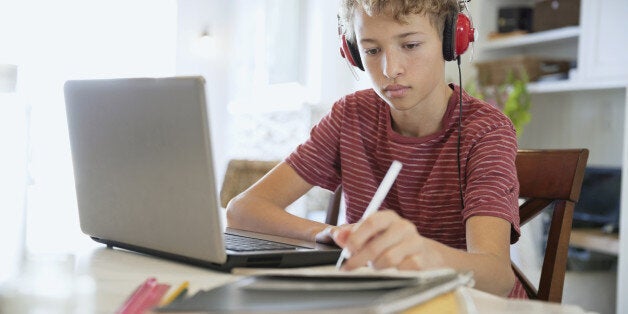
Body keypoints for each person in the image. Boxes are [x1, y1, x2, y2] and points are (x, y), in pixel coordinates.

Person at [227, 0, 527, 298]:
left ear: (451, 42)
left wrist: (424, 253)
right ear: (353, 52)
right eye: (372, 50)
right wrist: (331, 234)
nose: (390, 69)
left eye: (410, 45)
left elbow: (497, 278)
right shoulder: (351, 116)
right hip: (380, 301)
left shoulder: (486, 131)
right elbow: (243, 210)